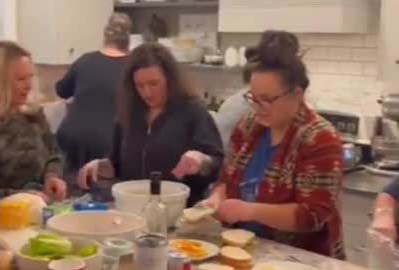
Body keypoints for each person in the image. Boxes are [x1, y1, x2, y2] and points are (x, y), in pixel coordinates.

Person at [202, 30, 345, 259]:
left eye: (268, 99)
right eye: (253, 98)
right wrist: (215, 200)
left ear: (297, 94)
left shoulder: (319, 138)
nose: (259, 107)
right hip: (245, 252)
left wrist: (251, 211)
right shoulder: (248, 126)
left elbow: (312, 216)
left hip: (300, 259)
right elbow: (226, 181)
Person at [78, 43, 224, 206]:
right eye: (139, 86)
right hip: (134, 208)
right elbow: (117, 164)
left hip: (180, 210)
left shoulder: (192, 112)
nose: (146, 92)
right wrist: (100, 166)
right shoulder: (128, 114)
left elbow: (218, 165)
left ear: (169, 80)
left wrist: (202, 161)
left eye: (154, 84)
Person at [0, 41, 67, 202]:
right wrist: (18, 197)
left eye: (30, 77)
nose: (29, 86)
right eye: (21, 79)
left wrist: (52, 177)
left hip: (41, 211)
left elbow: (54, 154)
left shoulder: (34, 115)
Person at [55, 13, 132, 194]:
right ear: (129, 40)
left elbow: (61, 90)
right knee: (100, 195)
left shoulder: (85, 60)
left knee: (69, 193)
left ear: (105, 37)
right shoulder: (133, 67)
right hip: (106, 141)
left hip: (72, 136)